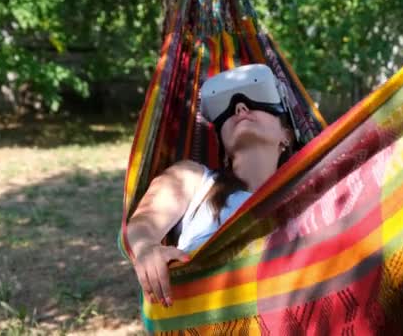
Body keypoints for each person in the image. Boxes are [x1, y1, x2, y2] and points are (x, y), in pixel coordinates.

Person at [126, 64, 299, 308]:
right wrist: (146, 248)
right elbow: (143, 224)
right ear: (223, 143)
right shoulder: (193, 178)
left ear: (287, 136)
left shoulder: (308, 193)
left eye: (258, 103)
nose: (240, 108)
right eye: (227, 112)